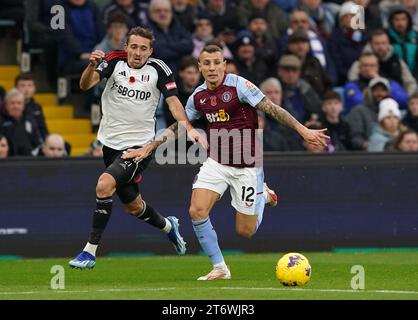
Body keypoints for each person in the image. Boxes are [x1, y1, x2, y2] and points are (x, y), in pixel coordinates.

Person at [123, 44, 329, 280]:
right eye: (206, 63)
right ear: (200, 67)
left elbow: (271, 108)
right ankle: (220, 267)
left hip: (247, 165)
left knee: (245, 232)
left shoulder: (239, 85)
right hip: (217, 162)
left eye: (216, 62)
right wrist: (150, 146)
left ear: (224, 64)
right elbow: (179, 126)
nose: (212, 68)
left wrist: (302, 130)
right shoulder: (198, 97)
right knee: (196, 210)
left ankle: (262, 195)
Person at [68, 26, 205, 269]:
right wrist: (90, 66)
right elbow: (86, 85)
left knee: (104, 184)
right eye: (134, 47)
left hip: (139, 147)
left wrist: (188, 127)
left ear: (150, 51)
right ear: (126, 47)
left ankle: (89, 252)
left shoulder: (159, 70)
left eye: (143, 48)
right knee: (133, 206)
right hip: (110, 145)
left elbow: (173, 103)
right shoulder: (112, 61)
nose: (138, 53)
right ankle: (168, 226)